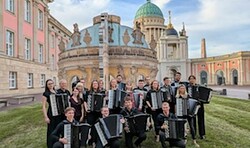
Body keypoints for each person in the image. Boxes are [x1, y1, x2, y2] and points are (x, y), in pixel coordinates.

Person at [42, 79, 63, 148]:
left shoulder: (56, 91)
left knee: (58, 129)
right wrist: (46, 117)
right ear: (47, 85)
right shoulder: (45, 94)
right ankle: (50, 145)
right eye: (49, 84)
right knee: (51, 130)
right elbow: (44, 106)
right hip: (51, 113)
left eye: (52, 83)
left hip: (58, 114)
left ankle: (57, 143)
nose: (51, 85)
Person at [188, 75, 206, 140]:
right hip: (192, 105)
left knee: (201, 120)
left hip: (200, 105)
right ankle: (194, 133)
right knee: (193, 120)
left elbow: (203, 96)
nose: (191, 80)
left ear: (195, 80)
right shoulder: (188, 87)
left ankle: (202, 134)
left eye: (193, 79)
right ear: (189, 80)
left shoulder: (199, 87)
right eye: (190, 79)